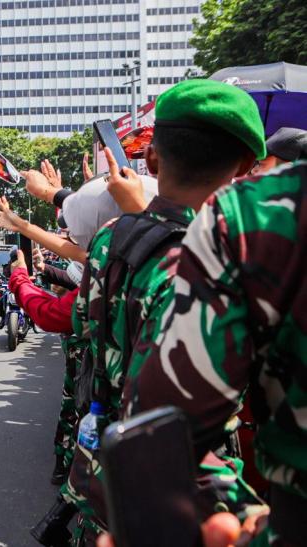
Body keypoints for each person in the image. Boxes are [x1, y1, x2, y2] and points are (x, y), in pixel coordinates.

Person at [60, 79, 265, 542]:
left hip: (100, 474)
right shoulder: (201, 264)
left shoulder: (112, 234)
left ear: (150, 157)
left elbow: (81, 329)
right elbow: (171, 428)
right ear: (248, 166)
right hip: (170, 510)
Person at [121, 162, 306, 545]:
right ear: (241, 163)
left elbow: (160, 433)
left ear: (154, 157)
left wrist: (246, 518)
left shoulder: (254, 211)